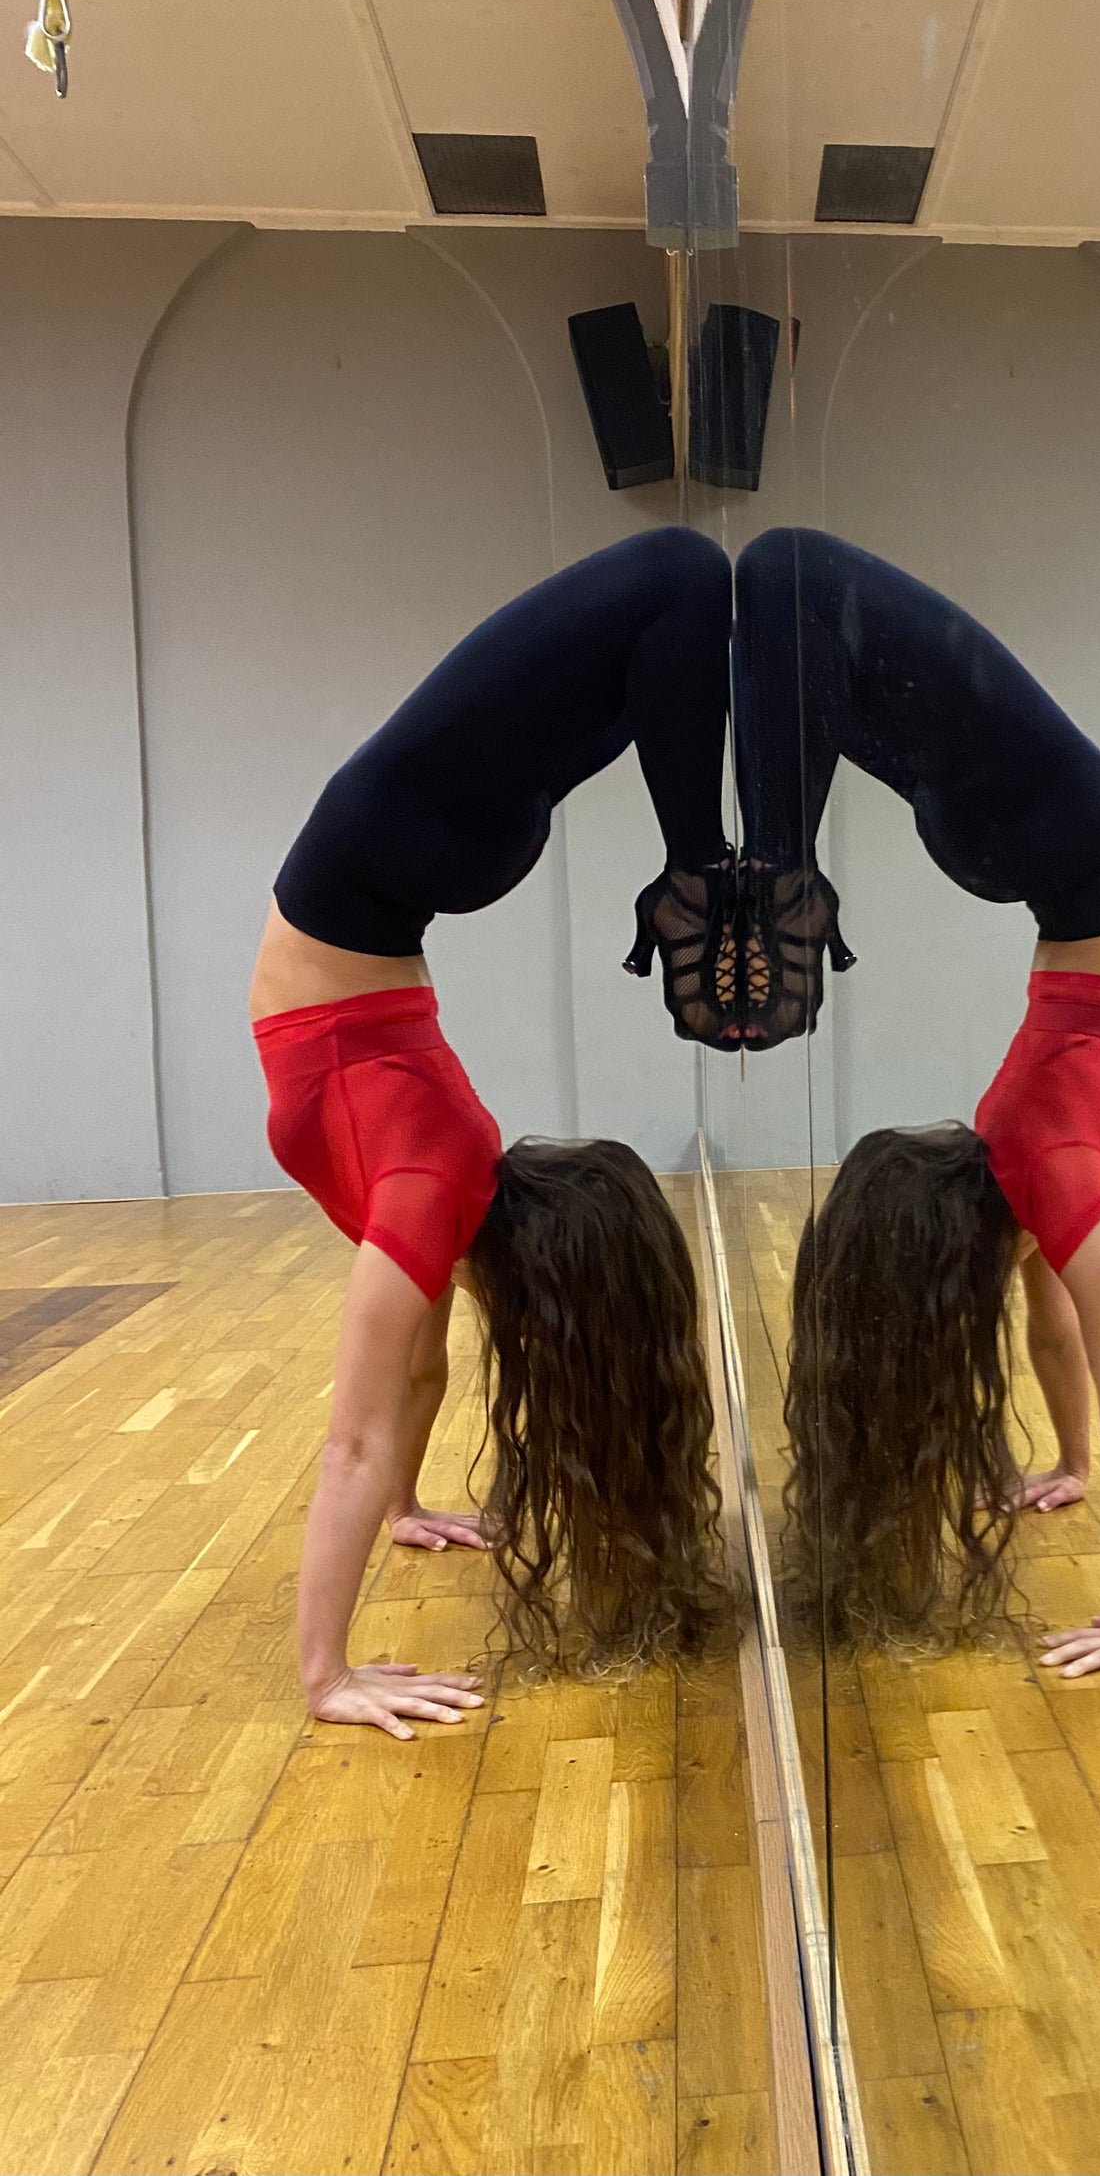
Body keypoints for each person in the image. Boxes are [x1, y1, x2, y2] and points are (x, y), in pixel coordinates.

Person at [250, 529, 735, 1737]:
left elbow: (409, 1383)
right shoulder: (425, 1203)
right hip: (375, 888)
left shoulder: (440, 1207)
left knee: (675, 595)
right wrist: (329, 1675)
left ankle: (695, 861)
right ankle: (695, 862)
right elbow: (349, 1439)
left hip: (377, 904)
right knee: (681, 576)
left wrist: (407, 1501)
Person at [738, 529, 1100, 1687]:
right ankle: (775, 864)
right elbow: (1067, 1338)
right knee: (788, 594)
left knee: (788, 579)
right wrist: (1069, 1461)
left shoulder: (1042, 1172)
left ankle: (776, 864)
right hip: (1067, 873)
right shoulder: (1025, 1174)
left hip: (1075, 873)